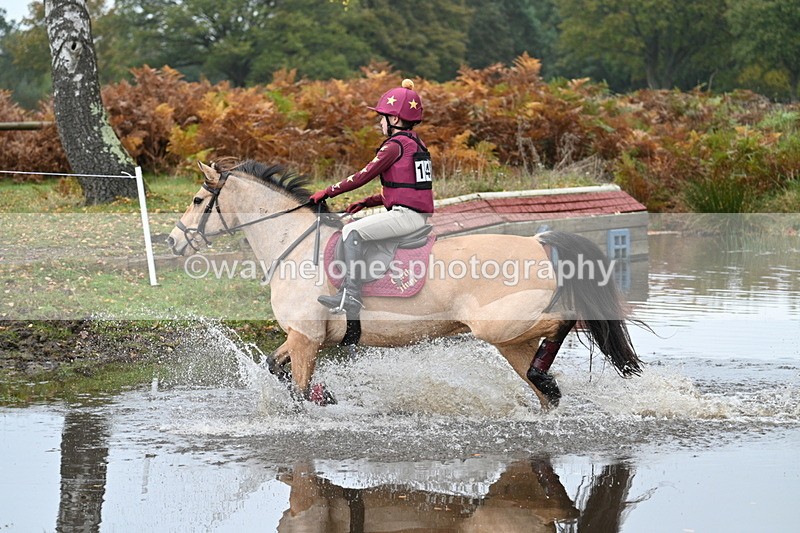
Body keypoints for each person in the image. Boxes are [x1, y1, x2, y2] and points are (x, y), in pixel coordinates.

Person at [309, 79, 434, 314]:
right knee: (355, 227)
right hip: (414, 214)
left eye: (382, 117)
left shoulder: (394, 145)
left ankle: (351, 295)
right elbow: (408, 188)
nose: (380, 122)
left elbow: (362, 176)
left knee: (350, 231)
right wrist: (371, 201)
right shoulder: (416, 143)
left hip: (406, 217)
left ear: (394, 119)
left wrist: (327, 191)